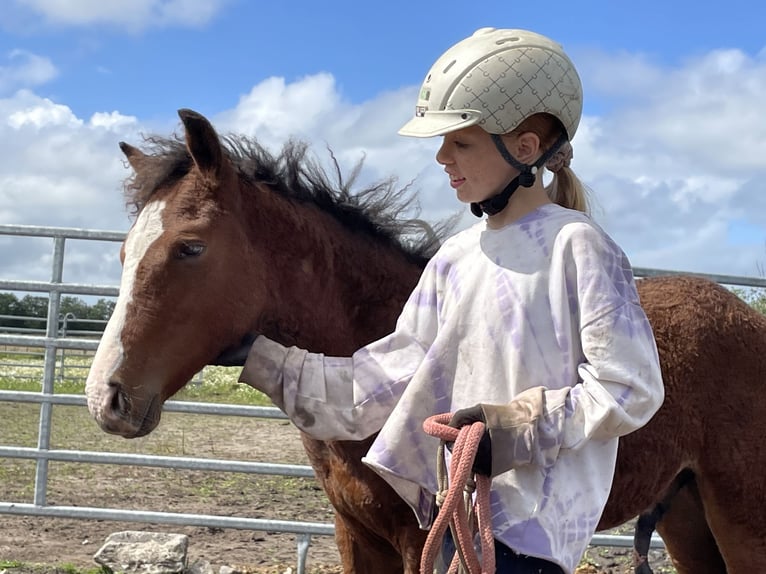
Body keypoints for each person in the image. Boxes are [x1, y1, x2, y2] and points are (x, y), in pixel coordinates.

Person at [230, 27, 664, 574]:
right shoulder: (456, 257)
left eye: (460, 141)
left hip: (530, 541)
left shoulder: (578, 246)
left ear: (524, 147)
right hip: (458, 524)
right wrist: (264, 362)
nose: (441, 156)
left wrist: (511, 432)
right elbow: (388, 379)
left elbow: (631, 385)